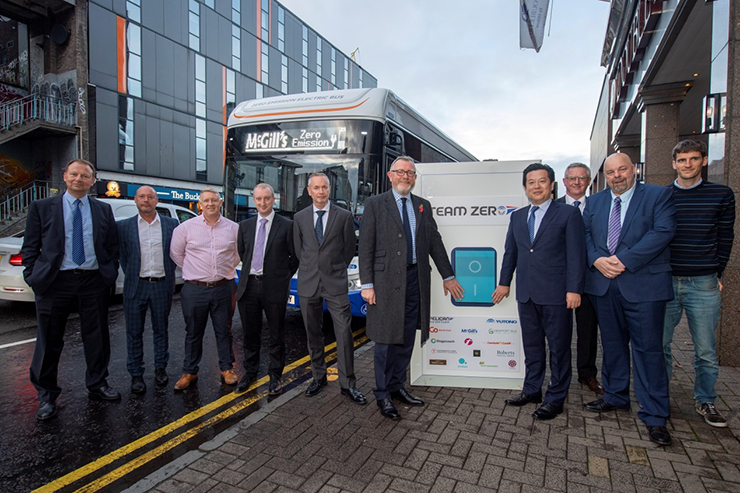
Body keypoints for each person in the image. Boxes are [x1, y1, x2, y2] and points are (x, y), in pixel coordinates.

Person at [359, 156, 464, 420]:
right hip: (383, 285)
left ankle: (397, 386)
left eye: (410, 173)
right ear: (390, 175)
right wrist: (367, 284)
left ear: (415, 178)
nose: (405, 176)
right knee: (384, 341)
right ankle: (382, 394)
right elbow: (366, 247)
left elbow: (434, 243)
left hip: (415, 281)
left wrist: (448, 275)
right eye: (401, 172)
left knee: (406, 339)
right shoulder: (374, 204)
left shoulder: (422, 207)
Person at [583, 152, 676, 446]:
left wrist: (622, 260)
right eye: (611, 172)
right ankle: (615, 396)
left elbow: (663, 232)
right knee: (611, 345)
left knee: (648, 351)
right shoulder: (595, 201)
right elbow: (583, 235)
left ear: (634, 169)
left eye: (622, 169)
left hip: (644, 287)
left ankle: (655, 415)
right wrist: (597, 259)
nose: (617, 176)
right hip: (604, 286)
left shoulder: (658, 196)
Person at [22, 159, 120, 421]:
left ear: (92, 180)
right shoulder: (41, 207)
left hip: (92, 281)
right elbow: (30, 247)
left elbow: (111, 246)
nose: (79, 179)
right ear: (65, 176)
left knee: (97, 337)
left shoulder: (103, 209)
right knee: (49, 340)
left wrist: (108, 274)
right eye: (74, 174)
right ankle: (46, 395)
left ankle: (97, 383)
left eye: (85, 176)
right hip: (55, 282)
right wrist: (32, 275)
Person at [493, 163, 585, 420]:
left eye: (542, 181)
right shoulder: (518, 216)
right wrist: (504, 282)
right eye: (531, 182)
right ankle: (532, 389)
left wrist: (574, 289)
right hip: (526, 294)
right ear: (525, 187)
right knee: (532, 347)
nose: (536, 186)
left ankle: (555, 398)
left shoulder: (568, 214)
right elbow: (511, 252)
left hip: (557, 295)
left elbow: (577, 256)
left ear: (552, 185)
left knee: (559, 348)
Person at [662, 140, 735, 428]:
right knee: (660, 345)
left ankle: (705, 400)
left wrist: (717, 274)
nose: (687, 164)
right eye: (682, 160)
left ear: (703, 161)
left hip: (703, 282)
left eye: (693, 159)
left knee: (705, 349)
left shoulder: (721, 194)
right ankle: (659, 397)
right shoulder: (662, 196)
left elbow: (725, 237)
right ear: (673, 163)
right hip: (665, 281)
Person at [293, 173, 366, 404]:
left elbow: (347, 251)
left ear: (330, 189)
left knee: (344, 333)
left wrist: (334, 269)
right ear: (309, 191)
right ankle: (318, 376)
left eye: (324, 187)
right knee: (313, 333)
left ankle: (348, 384)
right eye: (316, 187)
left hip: (335, 283)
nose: (321, 191)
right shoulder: (300, 218)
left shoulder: (343, 216)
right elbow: (299, 250)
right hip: (308, 283)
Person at [170, 188, 240, 391]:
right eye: (206, 201)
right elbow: (176, 254)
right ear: (200, 204)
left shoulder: (233, 228)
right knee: (193, 332)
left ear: (220, 203)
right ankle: (189, 371)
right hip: (195, 289)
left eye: (214, 200)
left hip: (223, 288)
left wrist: (224, 269)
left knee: (224, 331)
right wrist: (195, 270)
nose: (210, 204)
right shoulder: (185, 228)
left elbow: (237, 254)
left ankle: (227, 369)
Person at [235, 183, 299, 395]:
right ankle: (250, 373)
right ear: (254, 200)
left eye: (267, 199)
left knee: (276, 334)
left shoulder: (287, 225)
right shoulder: (244, 226)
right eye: (258, 199)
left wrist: (280, 277)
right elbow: (243, 253)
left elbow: (295, 257)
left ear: (274, 200)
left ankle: (275, 376)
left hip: (274, 287)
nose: (262, 203)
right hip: (249, 286)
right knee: (250, 335)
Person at [117, 185, 179, 394]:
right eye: (142, 196)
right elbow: (123, 256)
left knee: (161, 330)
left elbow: (176, 253)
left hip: (162, 285)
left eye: (150, 197)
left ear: (156, 200)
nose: (146, 200)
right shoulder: (124, 227)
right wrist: (134, 274)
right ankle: (136, 374)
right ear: (135, 200)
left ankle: (160, 368)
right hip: (136, 286)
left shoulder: (171, 224)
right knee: (134, 332)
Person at [557, 162, 603, 395]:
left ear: (588, 182)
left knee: (587, 331)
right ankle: (559, 375)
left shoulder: (600, 207)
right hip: (559, 282)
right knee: (559, 332)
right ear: (564, 182)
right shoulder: (552, 207)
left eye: (581, 178)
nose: (576, 182)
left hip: (591, 281)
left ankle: (587, 374)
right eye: (572, 178)